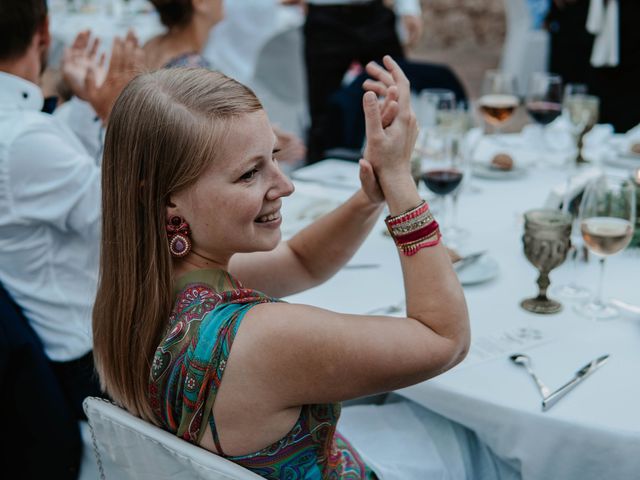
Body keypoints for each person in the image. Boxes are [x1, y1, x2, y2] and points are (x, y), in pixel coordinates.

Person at [93, 57, 519, 478]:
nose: (285, 185)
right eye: (249, 174)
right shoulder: (261, 339)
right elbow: (445, 340)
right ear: (168, 197)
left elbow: (302, 261)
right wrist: (400, 181)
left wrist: (371, 196)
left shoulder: (139, 287)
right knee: (499, 447)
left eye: (275, 156)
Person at [0, 0, 141, 417]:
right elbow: (130, 222)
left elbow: (48, 168)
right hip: (86, 362)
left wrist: (88, 105)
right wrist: (121, 112)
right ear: (44, 31)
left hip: (50, 350)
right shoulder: (21, 138)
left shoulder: (22, 129)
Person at [144, 0, 306, 164]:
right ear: (199, 3)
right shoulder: (192, 68)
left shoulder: (154, 45)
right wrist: (270, 146)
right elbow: (209, 144)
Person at [281, 0, 423, 163]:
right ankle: (320, 172)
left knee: (397, 93)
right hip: (325, 15)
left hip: (374, 13)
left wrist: (408, 6)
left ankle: (402, 169)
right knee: (322, 113)